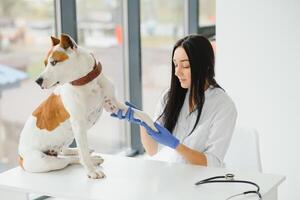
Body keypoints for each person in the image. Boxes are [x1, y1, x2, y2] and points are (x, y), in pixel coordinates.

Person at [112, 34, 237, 167]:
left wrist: (175, 145)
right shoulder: (169, 96)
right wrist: (143, 120)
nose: (177, 72)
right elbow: (152, 150)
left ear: (205, 66)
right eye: (175, 64)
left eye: (185, 66)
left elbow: (213, 163)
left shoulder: (223, 106)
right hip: (174, 175)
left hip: (204, 181)